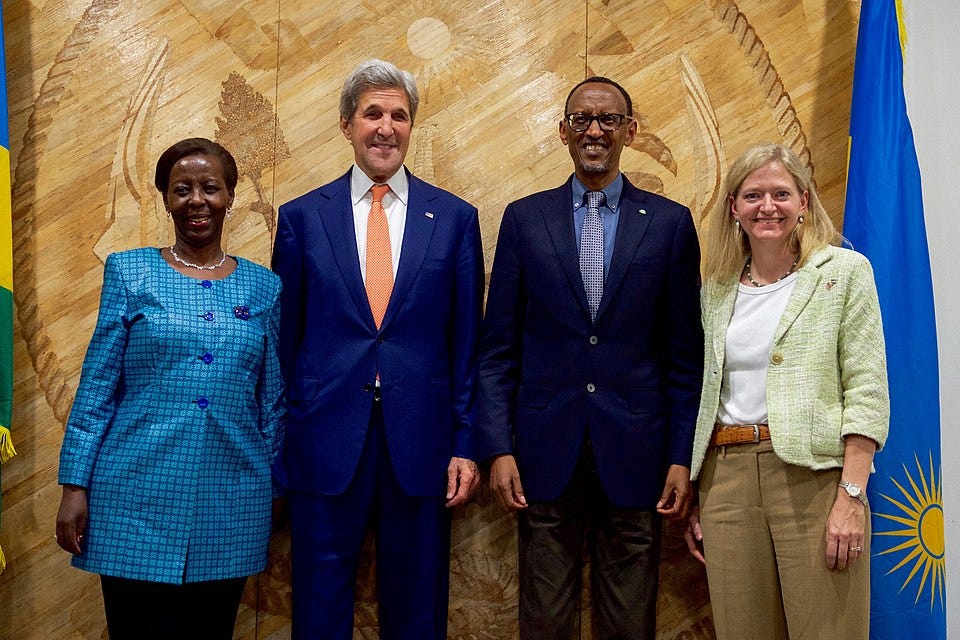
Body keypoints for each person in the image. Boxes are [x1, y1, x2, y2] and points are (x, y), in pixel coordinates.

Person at [476, 76, 703, 640]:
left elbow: (684, 358)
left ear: (630, 130)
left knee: (630, 622)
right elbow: (498, 350)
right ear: (563, 132)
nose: (594, 130)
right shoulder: (525, 219)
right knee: (545, 622)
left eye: (607, 119)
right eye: (581, 119)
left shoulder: (671, 224)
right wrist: (499, 448)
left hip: (640, 456)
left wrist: (681, 457)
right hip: (543, 454)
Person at [272, 59, 484, 640]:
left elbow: (467, 346)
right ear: (347, 125)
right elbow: (283, 347)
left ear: (412, 126)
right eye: (373, 114)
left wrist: (466, 444)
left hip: (422, 447)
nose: (386, 127)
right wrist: (281, 447)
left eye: (399, 115)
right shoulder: (301, 219)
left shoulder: (457, 220)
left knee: (417, 613)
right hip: (322, 445)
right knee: (318, 611)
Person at [55, 137, 284, 639]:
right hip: (130, 497)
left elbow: (273, 401)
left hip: (230, 500)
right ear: (164, 197)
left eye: (210, 188)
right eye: (182, 189)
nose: (197, 200)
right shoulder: (130, 271)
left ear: (230, 195)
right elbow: (97, 385)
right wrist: (75, 485)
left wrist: (272, 485)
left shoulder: (264, 288)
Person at [684, 142, 889, 639]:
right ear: (734, 207)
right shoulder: (715, 290)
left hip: (814, 478)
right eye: (753, 195)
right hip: (726, 479)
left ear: (803, 202)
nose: (767, 206)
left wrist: (851, 496)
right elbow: (705, 392)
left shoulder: (844, 272)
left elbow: (866, 389)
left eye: (780, 193)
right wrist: (697, 494)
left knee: (829, 631)